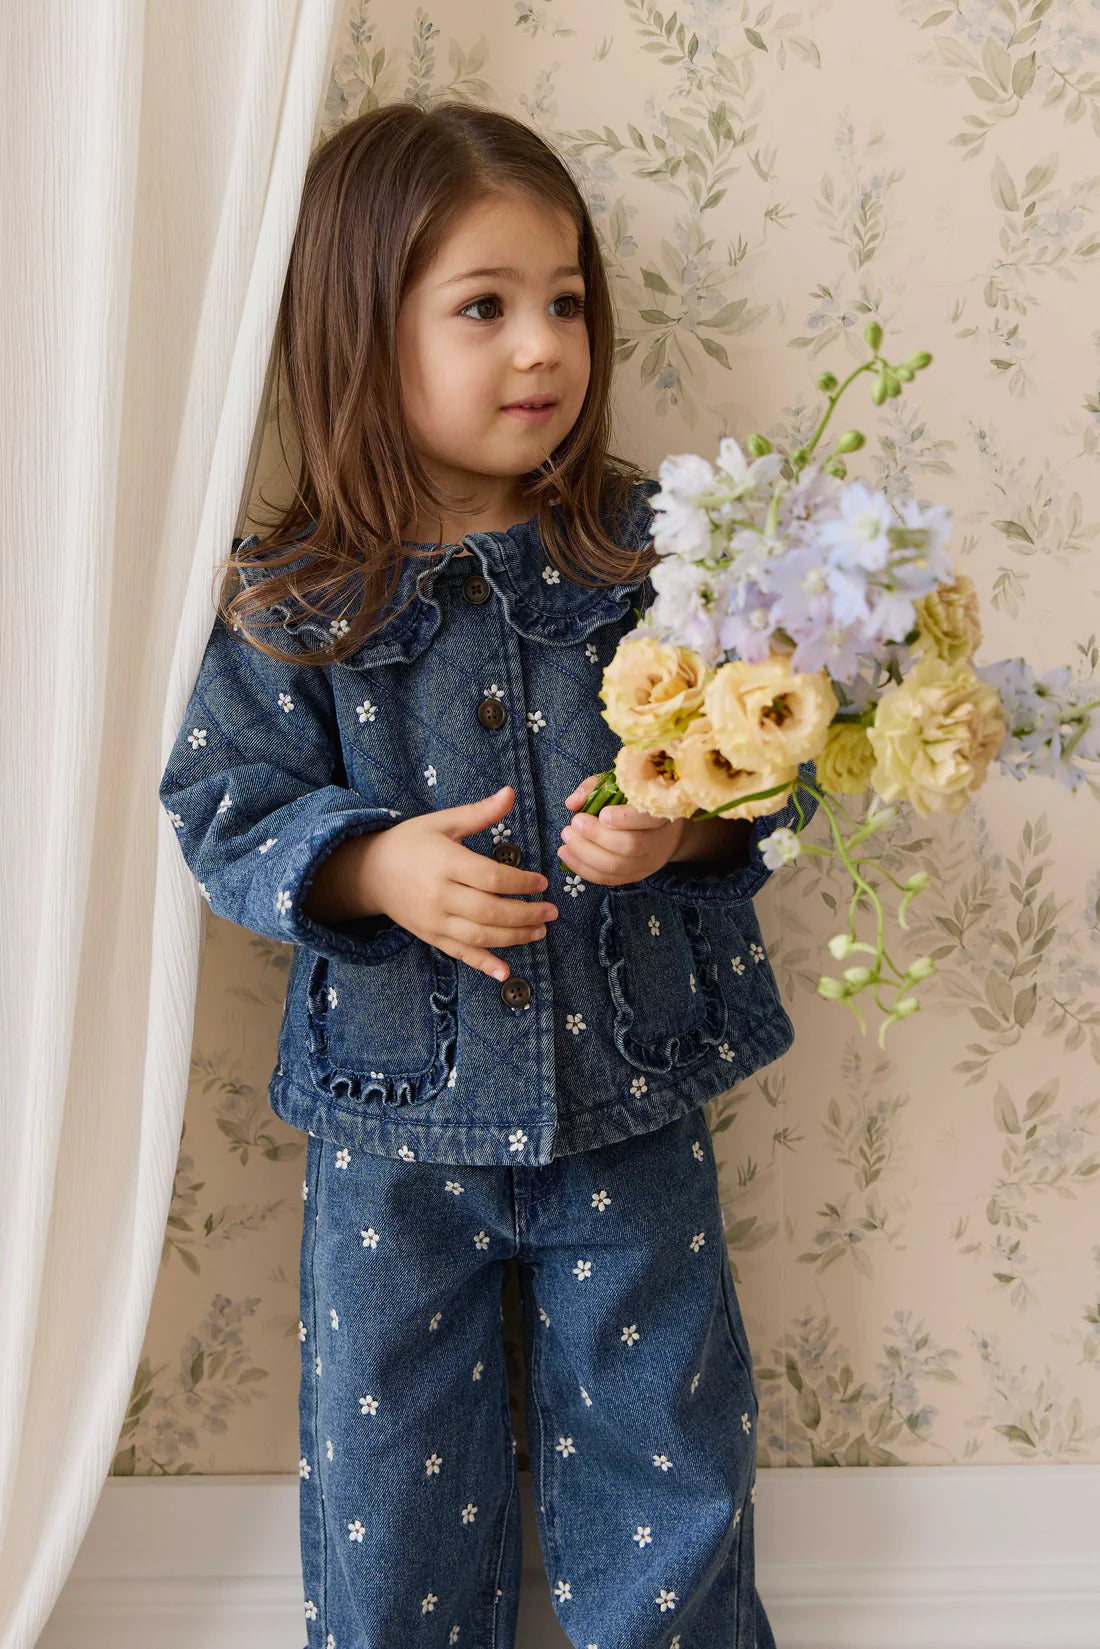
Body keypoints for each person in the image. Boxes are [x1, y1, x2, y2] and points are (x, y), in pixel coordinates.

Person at [159, 99, 817, 1649]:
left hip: (631, 1096)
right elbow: (221, 799)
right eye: (484, 307)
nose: (542, 346)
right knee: (388, 1475)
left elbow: (766, 765)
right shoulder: (295, 597)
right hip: (391, 1125)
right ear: (360, 336)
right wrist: (368, 862)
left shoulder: (654, 556)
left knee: (671, 1453)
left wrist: (678, 824)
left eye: (566, 302)